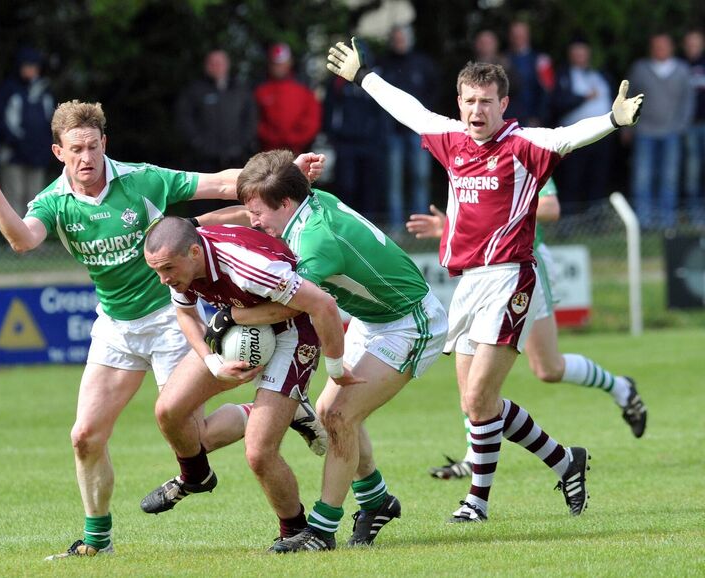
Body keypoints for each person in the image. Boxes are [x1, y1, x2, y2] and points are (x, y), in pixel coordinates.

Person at [0, 100, 327, 559]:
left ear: (104, 143)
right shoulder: (54, 201)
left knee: (198, 437)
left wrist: (287, 172)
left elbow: (224, 182)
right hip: (115, 326)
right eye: (75, 149)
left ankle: (282, 414)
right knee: (84, 436)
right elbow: (22, 240)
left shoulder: (142, 179)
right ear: (58, 152)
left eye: (92, 145)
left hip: (171, 318)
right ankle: (97, 541)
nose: (86, 157)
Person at [326, 38, 643, 522]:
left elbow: (567, 135)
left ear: (503, 105)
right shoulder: (451, 138)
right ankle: (565, 460)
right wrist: (363, 75)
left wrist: (612, 121)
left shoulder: (522, 144)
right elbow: (406, 108)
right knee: (478, 404)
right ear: (460, 103)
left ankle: (476, 501)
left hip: (511, 279)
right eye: (470, 100)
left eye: (487, 101)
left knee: (479, 399)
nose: (478, 110)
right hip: (469, 284)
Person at [229, 149, 448, 552]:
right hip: (373, 319)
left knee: (339, 415)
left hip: (410, 322)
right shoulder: (308, 202)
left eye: (257, 212)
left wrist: (232, 318)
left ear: (287, 203)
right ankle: (376, 501)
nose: (252, 221)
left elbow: (292, 303)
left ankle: (321, 531)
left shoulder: (315, 242)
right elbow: (279, 198)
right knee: (333, 415)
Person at [406, 178, 648, 480]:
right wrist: (451, 226)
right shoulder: (464, 154)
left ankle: (622, 389)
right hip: (481, 271)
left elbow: (550, 207)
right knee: (472, 370)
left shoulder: (522, 150)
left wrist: (494, 208)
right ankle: (474, 458)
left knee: (548, 368)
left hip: (523, 266)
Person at [141, 217, 361, 548]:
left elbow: (308, 305)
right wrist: (213, 362)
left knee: (258, 452)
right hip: (241, 324)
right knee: (169, 411)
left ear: (194, 252)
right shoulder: (181, 269)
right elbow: (187, 315)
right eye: (157, 271)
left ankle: (296, 532)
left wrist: (230, 317)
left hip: (293, 334)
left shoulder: (247, 267)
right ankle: (196, 476)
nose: (163, 279)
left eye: (168, 268)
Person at [626, 32, 693, 229]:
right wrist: (629, 126)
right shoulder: (639, 69)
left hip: (672, 132)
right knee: (642, 179)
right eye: (656, 46)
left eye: (664, 45)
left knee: (669, 179)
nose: (660, 49)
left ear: (671, 47)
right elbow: (628, 96)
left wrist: (681, 125)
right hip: (644, 132)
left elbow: (687, 100)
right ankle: (644, 223)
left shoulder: (682, 70)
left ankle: (667, 223)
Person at [377, 25, 440, 226]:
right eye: (395, 39)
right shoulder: (384, 64)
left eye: (402, 38)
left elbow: (435, 90)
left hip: (418, 130)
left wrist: (424, 115)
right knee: (394, 181)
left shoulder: (422, 63)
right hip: (392, 132)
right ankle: (396, 227)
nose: (399, 42)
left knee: (420, 178)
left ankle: (420, 226)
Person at [322, 39, 387, 218]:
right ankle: (347, 225)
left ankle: (371, 227)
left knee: (370, 186)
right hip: (345, 142)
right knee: (346, 186)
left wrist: (380, 138)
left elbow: (382, 111)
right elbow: (329, 109)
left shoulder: (375, 79)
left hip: (370, 142)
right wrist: (331, 135)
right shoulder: (337, 81)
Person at [550, 38, 615, 210]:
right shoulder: (563, 75)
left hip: (602, 135)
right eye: (576, 53)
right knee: (573, 177)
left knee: (598, 176)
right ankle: (571, 219)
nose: (580, 56)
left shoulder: (600, 74)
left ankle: (595, 218)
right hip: (574, 136)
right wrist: (583, 98)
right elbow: (557, 103)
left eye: (583, 52)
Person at [0, 47, 56, 216]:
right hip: (13, 153)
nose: (31, 70)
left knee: (37, 199)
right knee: (14, 197)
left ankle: (35, 241)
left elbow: (51, 122)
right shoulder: (8, 89)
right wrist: (17, 143)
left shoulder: (44, 90)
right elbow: (0, 121)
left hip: (38, 155)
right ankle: (15, 241)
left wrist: (44, 148)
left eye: (35, 66)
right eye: (27, 65)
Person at [175, 49, 257, 174]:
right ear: (206, 66)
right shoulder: (195, 90)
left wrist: (242, 143)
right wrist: (198, 143)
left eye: (220, 63)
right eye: (212, 63)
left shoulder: (240, 89)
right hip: (203, 160)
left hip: (236, 158)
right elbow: (184, 119)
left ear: (227, 64)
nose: (216, 67)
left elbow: (251, 118)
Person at [255, 43, 322, 155]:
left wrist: (295, 139)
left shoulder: (303, 90)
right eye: (275, 64)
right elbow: (255, 122)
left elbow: (313, 120)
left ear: (290, 63)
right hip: (268, 153)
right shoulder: (261, 91)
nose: (279, 67)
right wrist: (272, 139)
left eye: (282, 63)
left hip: (297, 152)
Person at [505, 21, 554, 127]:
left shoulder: (541, 60)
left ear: (528, 36)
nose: (518, 37)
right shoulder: (503, 59)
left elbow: (547, 92)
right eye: (515, 35)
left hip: (532, 120)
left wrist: (539, 117)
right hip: (506, 119)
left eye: (521, 34)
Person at [682, 29, 705, 223]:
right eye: (689, 43)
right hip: (689, 126)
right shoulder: (680, 66)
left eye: (696, 43)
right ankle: (695, 215)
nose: (692, 47)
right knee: (692, 173)